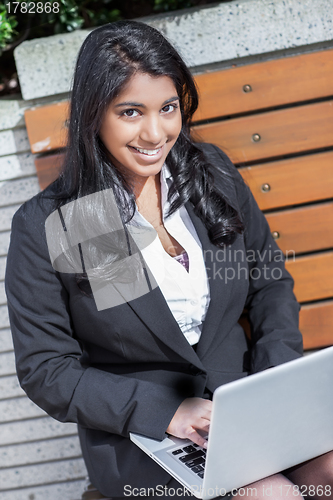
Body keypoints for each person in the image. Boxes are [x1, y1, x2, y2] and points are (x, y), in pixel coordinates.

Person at [5, 20, 333, 500]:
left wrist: (274, 378)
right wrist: (169, 412)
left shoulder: (208, 173)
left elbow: (268, 280)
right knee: (270, 495)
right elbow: (47, 370)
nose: (155, 133)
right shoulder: (72, 219)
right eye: (131, 112)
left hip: (245, 406)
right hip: (146, 435)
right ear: (93, 114)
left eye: (168, 108)